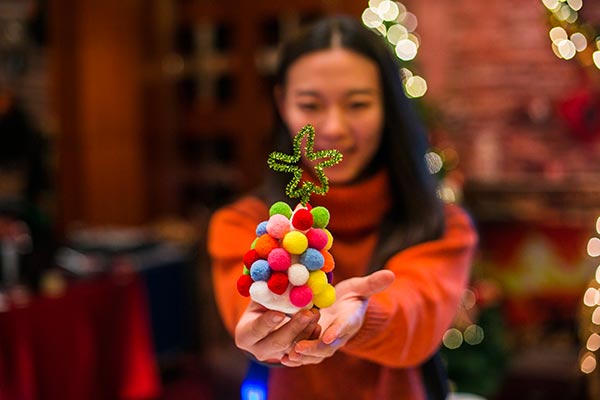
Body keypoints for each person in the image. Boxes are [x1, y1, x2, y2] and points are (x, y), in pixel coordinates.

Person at [207, 15, 478, 400]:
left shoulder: (441, 224)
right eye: (310, 104)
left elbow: (416, 316)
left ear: (387, 105)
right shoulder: (244, 224)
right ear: (283, 103)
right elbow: (247, 307)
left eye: (358, 103)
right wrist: (267, 326)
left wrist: (361, 316)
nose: (333, 127)